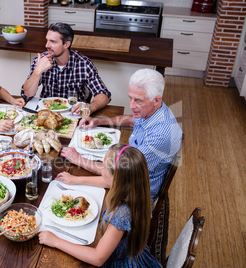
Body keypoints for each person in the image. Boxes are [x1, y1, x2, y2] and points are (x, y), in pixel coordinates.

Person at [60, 68, 182, 202]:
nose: (131, 105)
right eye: (130, 98)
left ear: (156, 100)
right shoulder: (153, 111)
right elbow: (132, 121)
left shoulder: (159, 136)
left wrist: (78, 162)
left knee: (72, 194)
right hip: (128, 170)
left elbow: (117, 178)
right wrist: (100, 121)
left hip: (137, 192)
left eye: (138, 100)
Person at [39, 144, 160, 267]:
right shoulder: (133, 187)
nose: (101, 170)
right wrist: (76, 179)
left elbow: (97, 257)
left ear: (116, 178)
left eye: (104, 166)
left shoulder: (121, 214)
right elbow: (107, 181)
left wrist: (55, 241)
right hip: (130, 250)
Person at [21, 22, 111, 114]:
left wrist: (91, 107)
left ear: (66, 44)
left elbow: (103, 94)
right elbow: (27, 95)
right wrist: (38, 71)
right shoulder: (41, 60)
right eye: (47, 40)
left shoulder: (83, 63)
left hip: (74, 114)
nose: (47, 45)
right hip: (46, 113)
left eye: (53, 41)